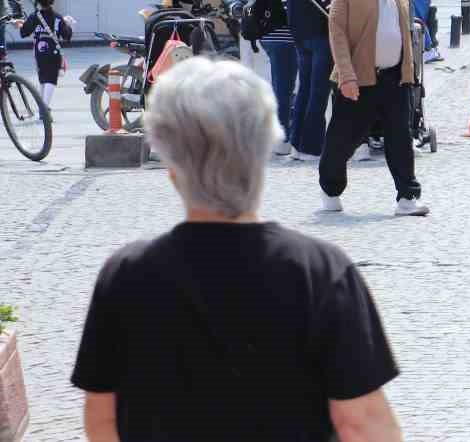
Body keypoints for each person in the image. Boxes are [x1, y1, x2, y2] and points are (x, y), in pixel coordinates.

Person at [71, 58, 406, 442]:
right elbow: (363, 424)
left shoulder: (127, 275)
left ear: (171, 166)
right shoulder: (321, 272)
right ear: (262, 153)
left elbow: (101, 420)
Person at [321, 0, 428, 217]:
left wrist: (410, 71)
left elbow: (404, 32)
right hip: (358, 78)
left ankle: (407, 197)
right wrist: (347, 76)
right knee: (343, 138)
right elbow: (338, 35)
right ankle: (331, 189)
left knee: (400, 137)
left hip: (395, 77)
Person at [286, 0, 336, 161]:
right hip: (320, 40)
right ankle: (312, 147)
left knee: (304, 90)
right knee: (318, 94)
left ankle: (296, 143)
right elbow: (332, 9)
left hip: (301, 39)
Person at [247, 0, 299, 149]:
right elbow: (279, 7)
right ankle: (280, 136)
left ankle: (279, 132)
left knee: (282, 84)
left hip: (279, 36)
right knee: (284, 86)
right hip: (279, 36)